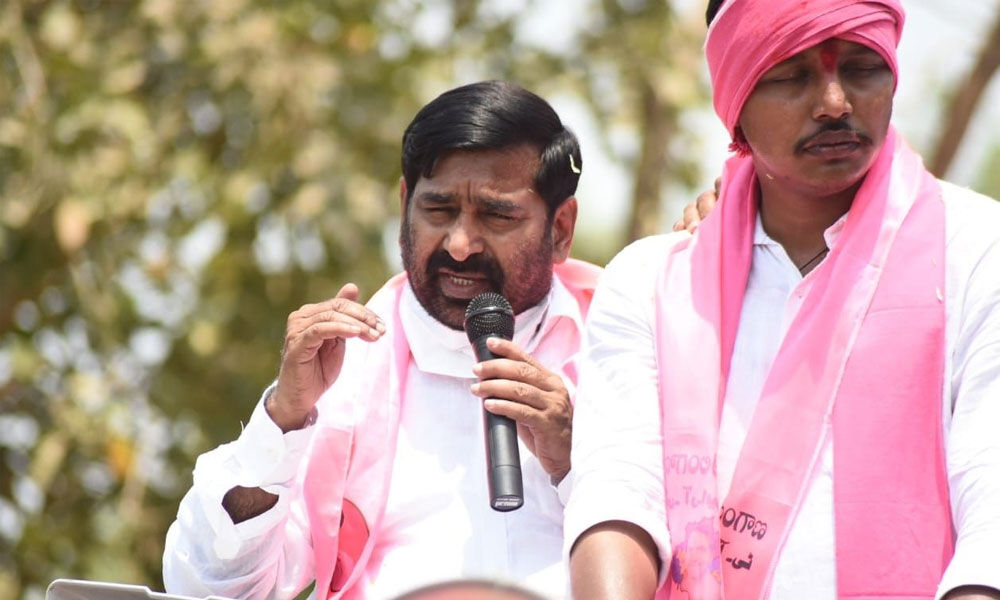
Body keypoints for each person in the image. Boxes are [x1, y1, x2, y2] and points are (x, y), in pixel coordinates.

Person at [565, 1, 1000, 599]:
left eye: (863, 69)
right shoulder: (650, 282)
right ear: (735, 101)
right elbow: (617, 490)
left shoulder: (974, 251)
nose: (835, 103)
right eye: (792, 77)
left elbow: (992, 499)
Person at [162, 80, 604, 600]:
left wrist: (574, 460)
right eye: (438, 210)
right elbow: (208, 588)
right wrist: (283, 418)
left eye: (497, 215)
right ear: (404, 205)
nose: (460, 245)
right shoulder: (345, 369)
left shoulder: (620, 343)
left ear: (560, 228)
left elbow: (684, 547)